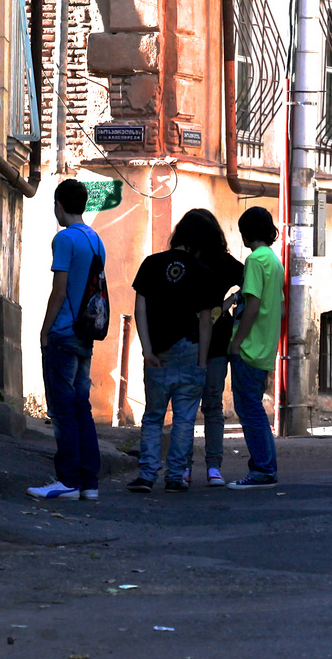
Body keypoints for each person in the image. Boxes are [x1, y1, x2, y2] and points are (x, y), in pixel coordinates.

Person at [127, 211, 221, 493]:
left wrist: (147, 350)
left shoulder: (151, 264)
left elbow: (139, 309)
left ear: (178, 233)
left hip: (158, 351)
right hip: (190, 350)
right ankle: (175, 476)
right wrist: (202, 362)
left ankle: (147, 475)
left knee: (153, 416)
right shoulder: (204, 273)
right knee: (184, 419)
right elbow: (206, 321)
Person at [28, 179, 106, 501]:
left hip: (63, 333)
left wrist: (45, 330)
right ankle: (89, 482)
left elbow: (59, 291)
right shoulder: (95, 239)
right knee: (80, 407)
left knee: (61, 410)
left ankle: (68, 481)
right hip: (85, 334)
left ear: (59, 204)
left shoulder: (64, 239)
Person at [225, 206, 282, 490]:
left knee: (249, 410)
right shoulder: (273, 260)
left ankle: (262, 469)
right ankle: (265, 467)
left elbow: (254, 305)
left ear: (247, 232)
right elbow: (279, 308)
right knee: (255, 409)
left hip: (249, 348)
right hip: (265, 348)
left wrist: (236, 342)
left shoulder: (255, 261)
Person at [187, 209, 244, 488]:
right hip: (219, 341)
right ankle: (213, 468)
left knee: (187, 406)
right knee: (213, 405)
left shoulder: (185, 261)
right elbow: (249, 282)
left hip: (187, 339)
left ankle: (183, 467)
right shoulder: (225, 262)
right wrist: (230, 302)